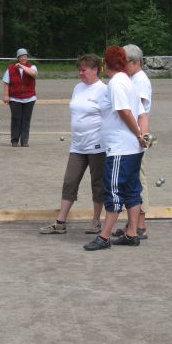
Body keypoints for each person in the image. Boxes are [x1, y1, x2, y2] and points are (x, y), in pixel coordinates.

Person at [84, 45, 147, 251]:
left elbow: (125, 112)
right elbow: (142, 113)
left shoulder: (117, 83)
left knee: (113, 191)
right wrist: (142, 136)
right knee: (132, 189)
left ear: (105, 63)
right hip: (131, 148)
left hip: (120, 148)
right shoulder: (127, 81)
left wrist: (138, 134)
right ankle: (131, 234)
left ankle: (103, 237)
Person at [40, 54, 107, 235]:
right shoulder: (78, 87)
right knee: (69, 181)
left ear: (95, 70)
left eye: (84, 70)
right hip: (77, 145)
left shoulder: (103, 90)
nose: (80, 73)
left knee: (97, 184)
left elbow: (109, 117)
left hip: (97, 145)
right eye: (79, 70)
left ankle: (96, 221)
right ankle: (60, 222)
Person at [112, 44, 152, 240]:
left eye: (125, 62)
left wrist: (140, 136)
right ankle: (133, 224)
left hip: (135, 138)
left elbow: (139, 111)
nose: (122, 65)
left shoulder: (140, 80)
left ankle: (140, 225)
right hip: (133, 137)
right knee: (133, 180)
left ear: (135, 63)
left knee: (138, 179)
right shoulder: (131, 78)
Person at [3, 48, 37, 147]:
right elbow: (6, 82)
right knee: (16, 119)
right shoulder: (10, 68)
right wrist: (6, 95)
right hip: (15, 98)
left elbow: (33, 74)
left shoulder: (32, 67)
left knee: (26, 119)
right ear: (18, 58)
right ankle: (14, 140)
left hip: (29, 98)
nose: (24, 58)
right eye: (21, 56)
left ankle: (24, 141)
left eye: (25, 56)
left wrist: (22, 66)